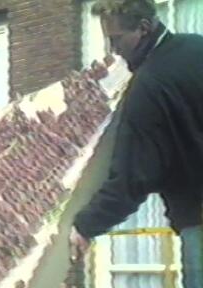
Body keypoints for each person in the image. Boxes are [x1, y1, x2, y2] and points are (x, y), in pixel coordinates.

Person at [69, 1, 203, 287]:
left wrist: (86, 224)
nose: (112, 49)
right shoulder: (197, 46)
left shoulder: (149, 85)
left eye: (116, 39)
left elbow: (134, 175)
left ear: (143, 29)